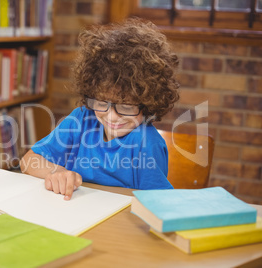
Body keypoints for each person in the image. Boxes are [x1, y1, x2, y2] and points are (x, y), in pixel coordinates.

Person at [20, 17, 180, 200]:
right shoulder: (80, 119)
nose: (111, 117)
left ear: (148, 103)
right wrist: (57, 172)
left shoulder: (146, 143)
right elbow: (28, 161)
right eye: (102, 103)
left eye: (126, 106)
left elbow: (158, 203)